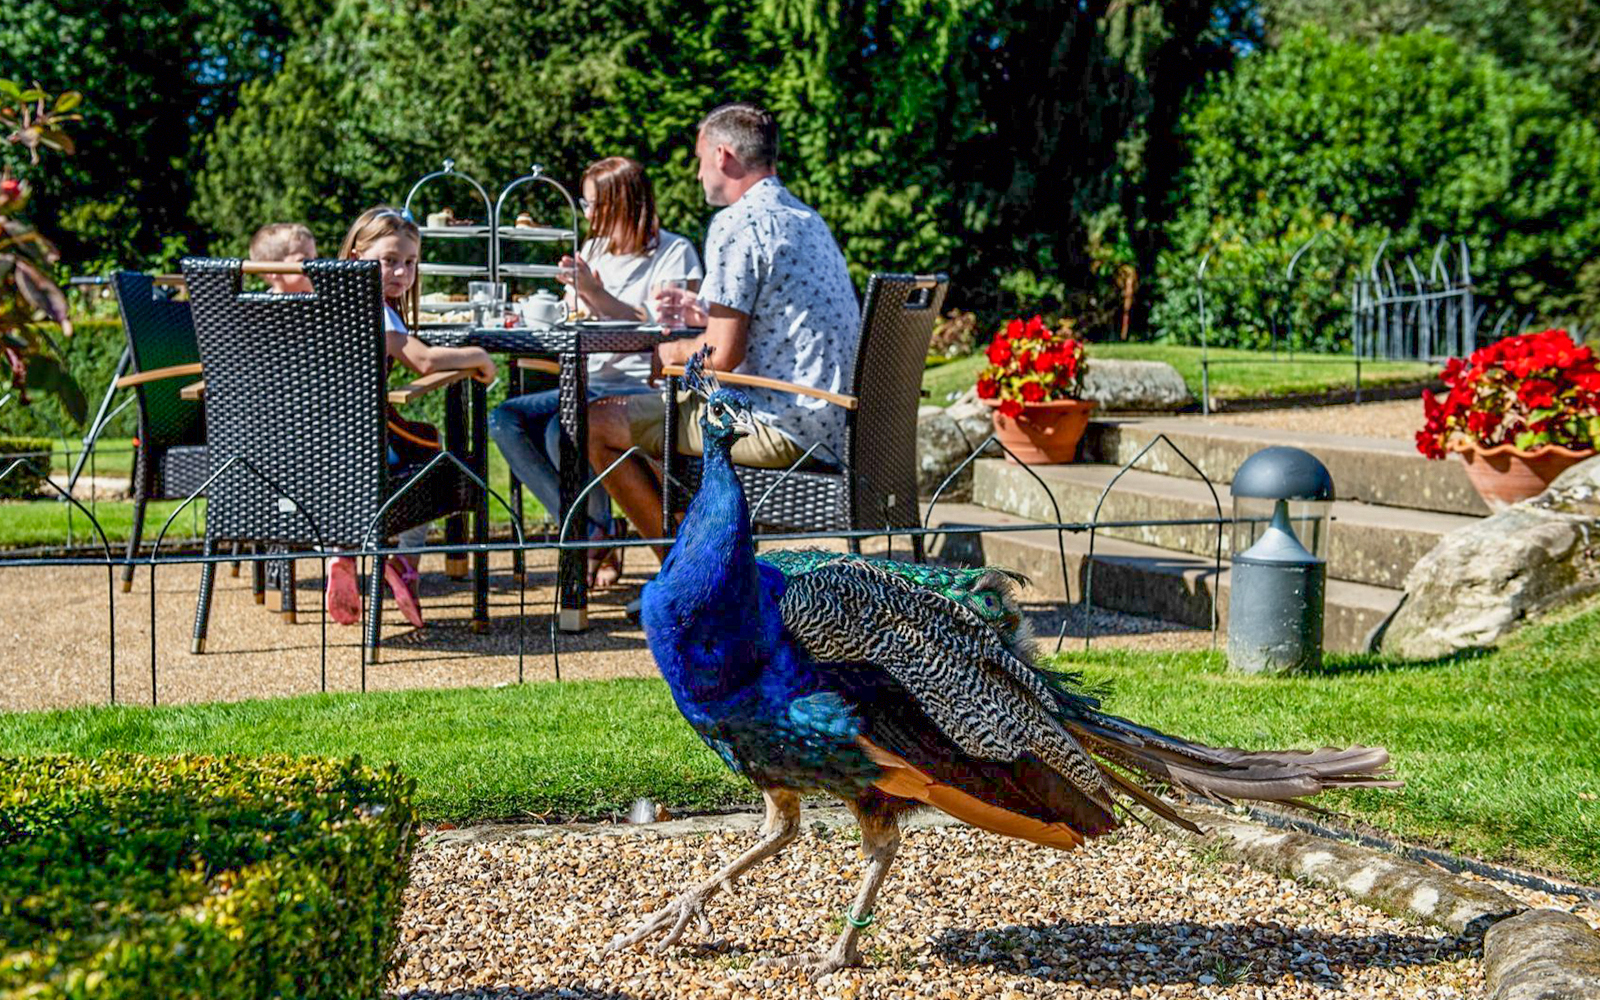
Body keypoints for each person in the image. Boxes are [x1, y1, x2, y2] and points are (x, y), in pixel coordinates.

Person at [586, 103, 860, 559]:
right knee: (658, 414)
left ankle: (688, 577)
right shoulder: (806, 219)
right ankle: (708, 559)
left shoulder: (737, 222)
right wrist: (701, 313)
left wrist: (671, 354)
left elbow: (720, 357)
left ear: (723, 155)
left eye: (699, 160)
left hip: (778, 422)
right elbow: (773, 318)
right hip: (833, 420)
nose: (697, 175)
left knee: (596, 421)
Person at [488, 157, 702, 587]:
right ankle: (590, 531)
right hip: (588, 383)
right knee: (504, 418)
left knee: (559, 431)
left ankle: (592, 536)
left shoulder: (674, 252)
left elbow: (662, 327)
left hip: (642, 387)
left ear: (619, 203)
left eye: (590, 204)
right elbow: (575, 314)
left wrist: (594, 292)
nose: (585, 214)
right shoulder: (594, 250)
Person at [324, 207, 497, 629]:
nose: (401, 272)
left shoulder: (323, 305)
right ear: (356, 258)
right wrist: (478, 356)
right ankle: (403, 563)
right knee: (437, 464)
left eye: (410, 263)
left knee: (405, 449)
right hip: (364, 447)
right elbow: (421, 361)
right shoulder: (372, 305)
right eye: (389, 261)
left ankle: (343, 553)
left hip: (317, 451)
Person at [249, 222, 317, 293]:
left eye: (315, 259)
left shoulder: (324, 301)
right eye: (304, 261)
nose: (315, 266)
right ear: (271, 270)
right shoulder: (261, 303)